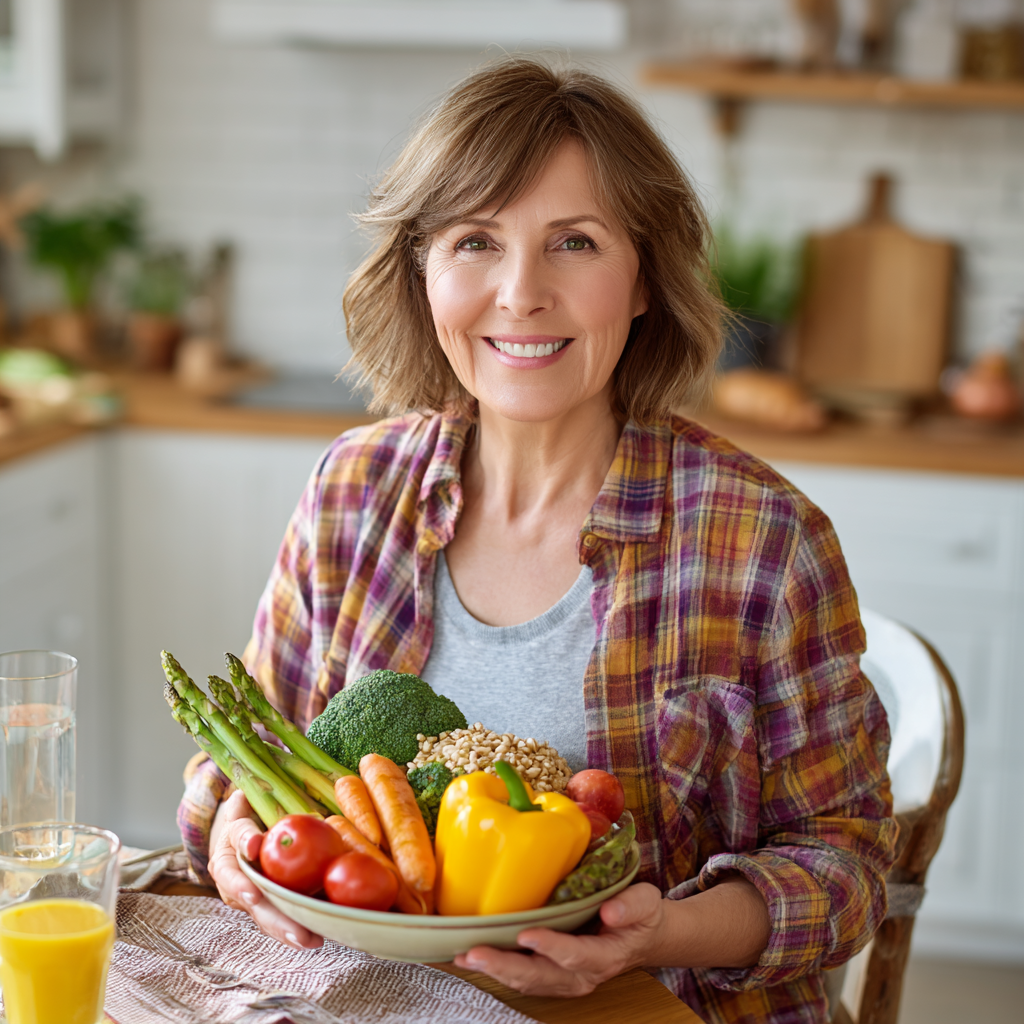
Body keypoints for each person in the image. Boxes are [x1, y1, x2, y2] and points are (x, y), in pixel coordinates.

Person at [178, 57, 896, 1023]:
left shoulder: (763, 540)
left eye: (574, 242)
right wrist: (229, 828)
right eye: (476, 240)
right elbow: (244, 752)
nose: (520, 294)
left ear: (644, 281)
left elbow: (845, 870)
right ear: (422, 272)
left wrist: (661, 932)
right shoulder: (351, 490)